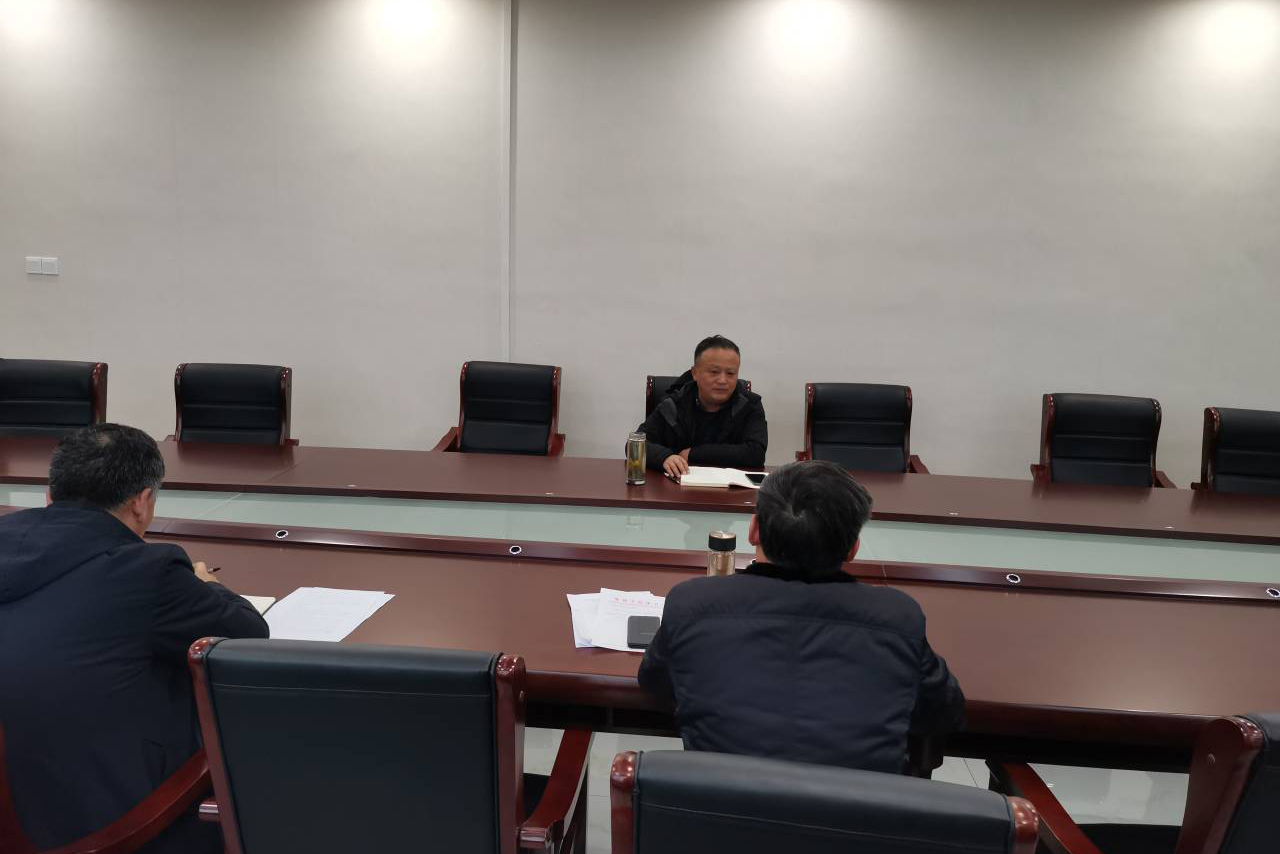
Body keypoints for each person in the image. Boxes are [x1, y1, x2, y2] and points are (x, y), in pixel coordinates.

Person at [0, 424, 269, 853]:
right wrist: (207, 584)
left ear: (49, 494)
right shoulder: (146, 572)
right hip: (110, 830)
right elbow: (247, 637)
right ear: (142, 502)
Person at [637, 460, 964, 774]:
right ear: (853, 548)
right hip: (853, 813)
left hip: (716, 810)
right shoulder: (897, 618)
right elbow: (943, 712)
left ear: (753, 530)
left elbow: (657, 685)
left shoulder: (693, 604)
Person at [635, 334, 767, 477]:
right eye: (714, 372)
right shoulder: (673, 405)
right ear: (695, 373)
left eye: (731, 373)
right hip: (678, 485)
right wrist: (665, 457)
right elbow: (637, 444)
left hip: (731, 488)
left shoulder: (749, 405)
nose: (723, 380)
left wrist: (694, 453)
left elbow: (756, 453)